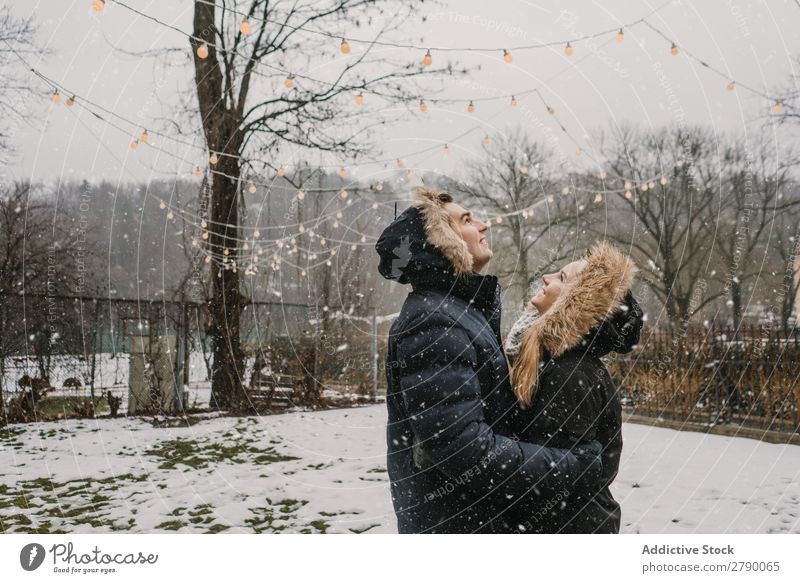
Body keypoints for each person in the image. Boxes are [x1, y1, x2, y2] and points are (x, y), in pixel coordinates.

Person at [375, 186, 603, 534]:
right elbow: (465, 451)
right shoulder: (435, 321)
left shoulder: (457, 312)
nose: (483, 226)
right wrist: (572, 466)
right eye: (467, 219)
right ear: (442, 241)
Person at [501, 241, 643, 533]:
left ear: (576, 305)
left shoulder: (569, 373)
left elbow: (561, 476)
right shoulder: (555, 361)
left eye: (562, 279)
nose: (546, 278)